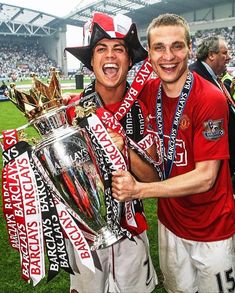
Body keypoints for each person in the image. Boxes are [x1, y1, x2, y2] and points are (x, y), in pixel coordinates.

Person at [112, 13, 235, 293]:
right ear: (150, 55)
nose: (169, 56)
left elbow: (205, 177)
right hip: (170, 224)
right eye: (159, 47)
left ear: (190, 49)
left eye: (177, 46)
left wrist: (139, 190)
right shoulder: (148, 90)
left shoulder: (209, 98)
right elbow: (111, 92)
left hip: (211, 229)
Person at [64, 12, 158, 293]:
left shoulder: (143, 110)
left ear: (129, 60)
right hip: (84, 234)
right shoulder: (70, 110)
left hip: (131, 230)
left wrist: (124, 149)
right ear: (91, 61)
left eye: (119, 49)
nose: (111, 56)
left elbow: (153, 180)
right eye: (101, 49)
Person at [189, 36, 235, 178]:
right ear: (211, 55)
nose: (228, 57)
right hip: (214, 164)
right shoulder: (195, 77)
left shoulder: (211, 76)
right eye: (224, 53)